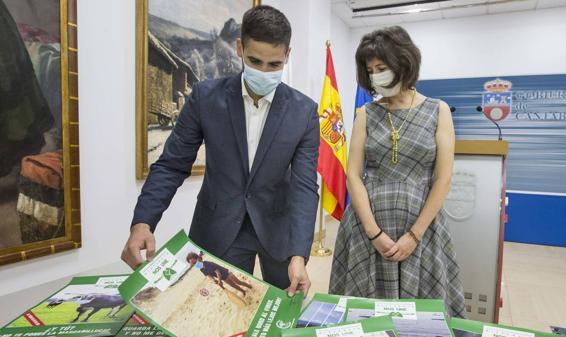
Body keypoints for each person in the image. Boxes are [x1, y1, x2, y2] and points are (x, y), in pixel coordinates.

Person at [121, 5, 319, 297]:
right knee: (213, 318)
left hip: (278, 231)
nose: (264, 72)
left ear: (288, 55)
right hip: (220, 225)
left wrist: (300, 255)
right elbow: (172, 165)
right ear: (240, 48)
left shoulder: (304, 112)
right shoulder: (205, 98)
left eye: (274, 64)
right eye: (255, 61)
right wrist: (143, 223)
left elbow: (304, 186)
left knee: (278, 315)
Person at [329, 26, 465, 317]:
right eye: (371, 69)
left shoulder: (437, 110)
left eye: (383, 67)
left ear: (404, 62)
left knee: (423, 324)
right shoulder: (366, 113)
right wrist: (373, 232)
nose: (377, 75)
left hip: (421, 230)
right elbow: (353, 175)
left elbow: (443, 178)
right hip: (367, 228)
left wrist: (413, 236)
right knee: (362, 316)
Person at [186, 252, 252, 296]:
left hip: (227, 274)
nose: (194, 264)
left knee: (239, 282)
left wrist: (219, 281)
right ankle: (243, 291)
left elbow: (218, 273)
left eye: (194, 262)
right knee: (234, 286)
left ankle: (249, 286)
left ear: (197, 259)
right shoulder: (201, 268)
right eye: (193, 264)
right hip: (224, 278)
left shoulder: (208, 263)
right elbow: (209, 276)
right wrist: (214, 280)